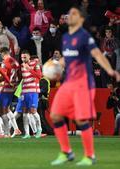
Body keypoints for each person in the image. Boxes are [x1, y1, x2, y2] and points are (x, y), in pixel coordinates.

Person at [50, 7, 120, 166]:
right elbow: (66, 59)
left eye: (74, 13)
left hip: (83, 84)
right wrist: (54, 65)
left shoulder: (84, 37)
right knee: (55, 115)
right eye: (69, 13)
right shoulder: (66, 37)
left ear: (81, 20)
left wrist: (110, 70)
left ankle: (90, 155)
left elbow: (96, 54)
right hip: (68, 83)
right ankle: (66, 152)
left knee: (81, 119)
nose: (70, 15)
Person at [0, 47, 21, 137]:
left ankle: (6, 132)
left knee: (2, 110)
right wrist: (16, 84)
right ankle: (16, 129)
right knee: (7, 109)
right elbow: (19, 75)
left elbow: (3, 75)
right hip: (13, 87)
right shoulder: (15, 62)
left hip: (6, 87)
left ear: (3, 53)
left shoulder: (4, 62)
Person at [20, 50, 42, 139]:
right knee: (24, 112)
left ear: (29, 57)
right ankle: (27, 133)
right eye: (22, 57)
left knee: (33, 111)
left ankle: (39, 129)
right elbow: (24, 78)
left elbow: (39, 76)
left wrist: (29, 69)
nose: (23, 59)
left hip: (33, 90)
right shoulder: (21, 66)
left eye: (25, 57)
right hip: (25, 91)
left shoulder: (35, 64)